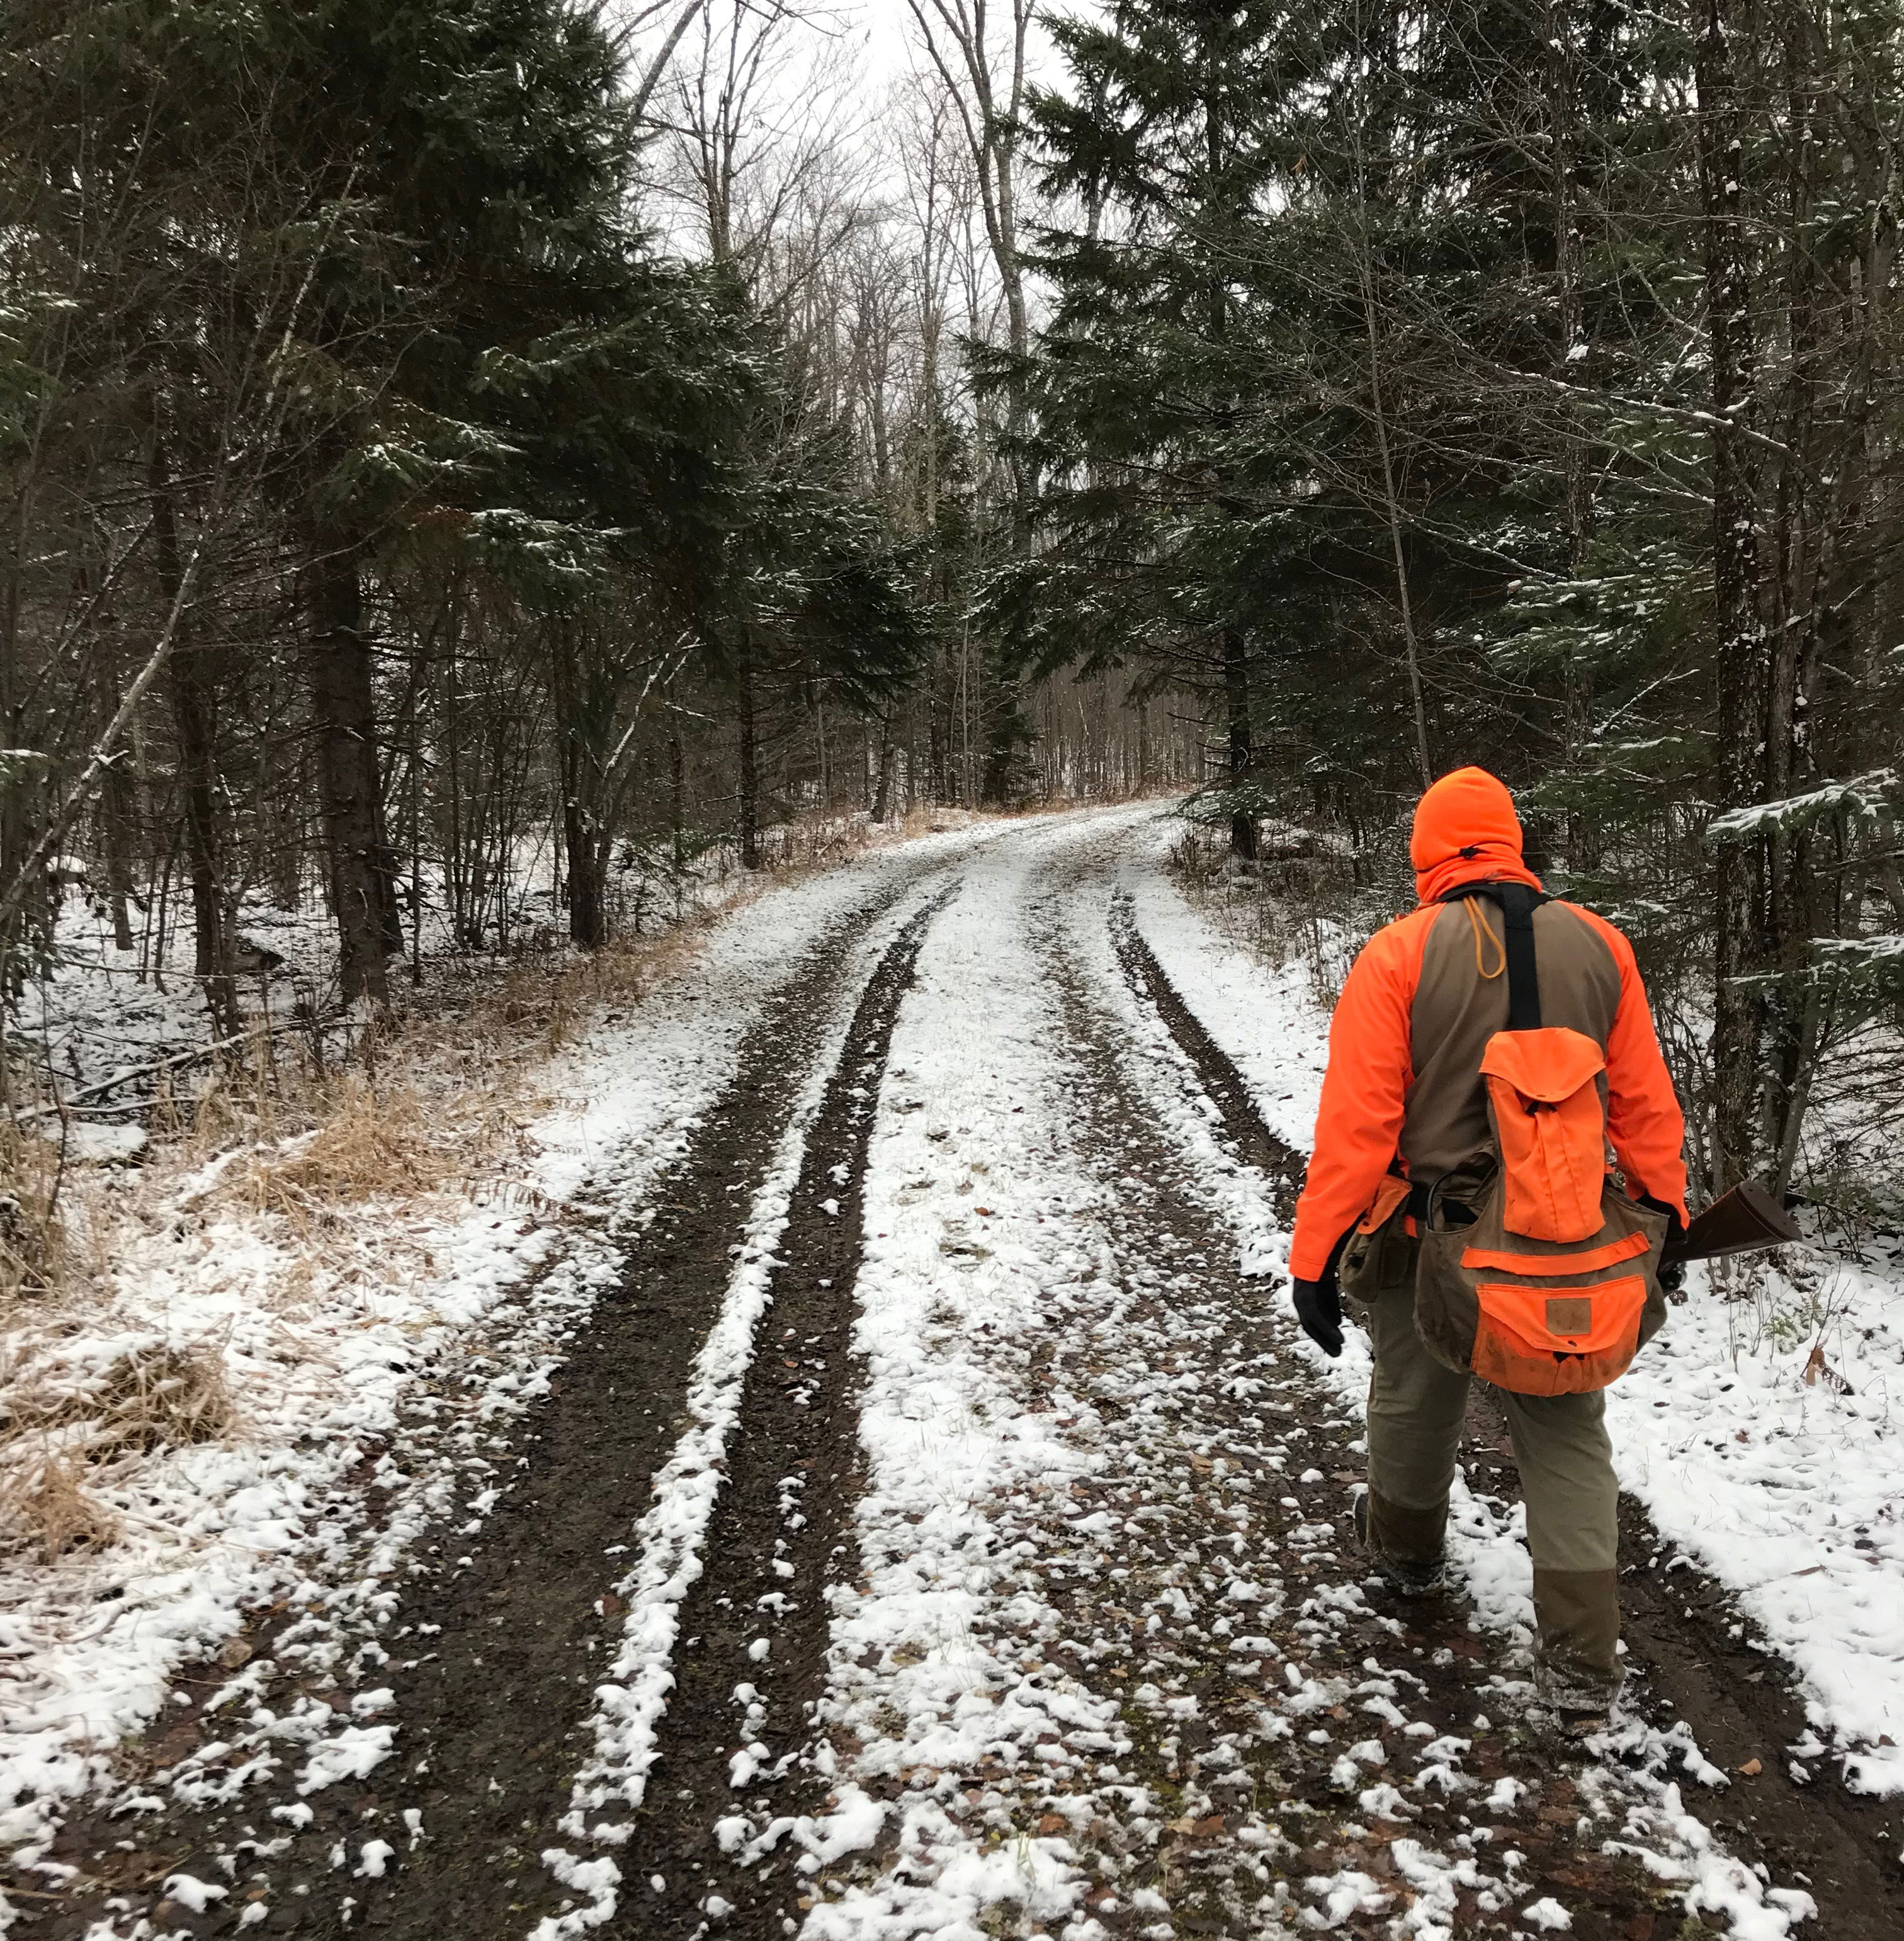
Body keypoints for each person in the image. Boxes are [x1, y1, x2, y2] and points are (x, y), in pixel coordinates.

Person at [1286, 766, 1689, 1726]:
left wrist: (1314, 1261)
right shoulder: (1601, 944)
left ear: (1426, 853)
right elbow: (1646, 1109)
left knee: (1415, 1404)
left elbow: (1357, 1132)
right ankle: (1585, 1666)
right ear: (1514, 842)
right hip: (1573, 1243)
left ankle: (1406, 1561)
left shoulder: (1398, 954)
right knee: (1566, 1436)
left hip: (1428, 1242)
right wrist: (1664, 1220)